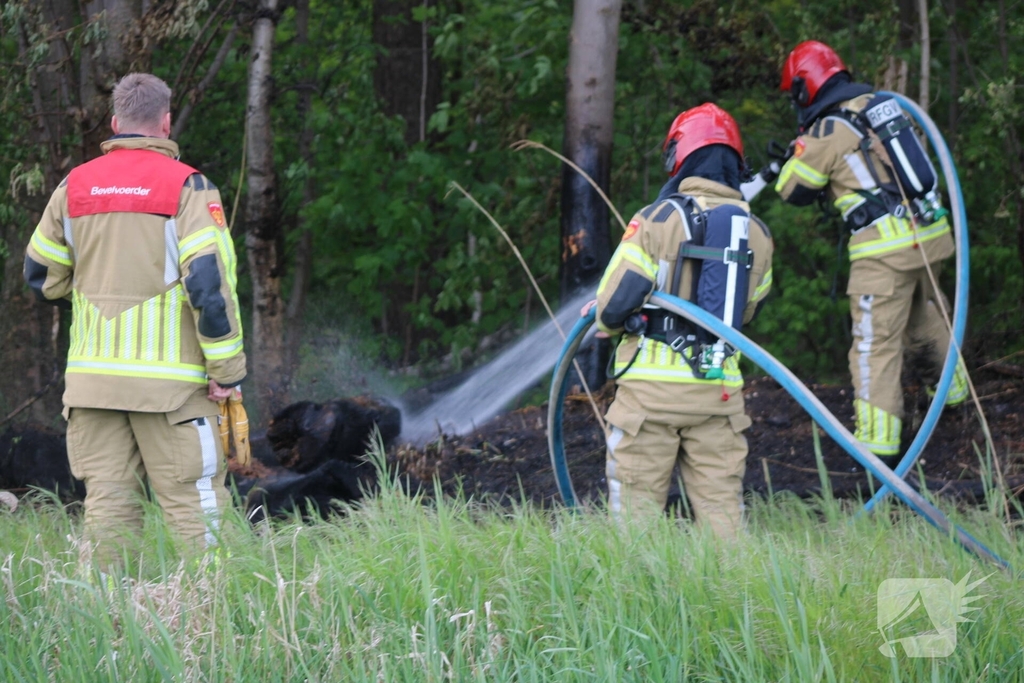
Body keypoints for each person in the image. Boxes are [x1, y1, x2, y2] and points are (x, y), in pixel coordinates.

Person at [24, 73, 247, 569]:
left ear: (114, 123)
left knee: (108, 509)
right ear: (165, 122)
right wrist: (227, 371)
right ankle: (214, 610)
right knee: (196, 508)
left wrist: (94, 295)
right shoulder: (189, 188)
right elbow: (208, 287)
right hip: (173, 390)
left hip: (93, 388)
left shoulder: (73, 186)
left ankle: (104, 613)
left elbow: (40, 276)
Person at [585, 103, 774, 539]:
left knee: (635, 517)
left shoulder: (657, 219)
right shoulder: (758, 234)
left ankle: (639, 585)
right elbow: (747, 312)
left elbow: (613, 307)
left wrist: (608, 320)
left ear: (679, 156)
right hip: (718, 396)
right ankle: (733, 582)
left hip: (649, 399)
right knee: (723, 515)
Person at [773, 40, 967, 461]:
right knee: (923, 313)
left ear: (805, 89)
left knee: (873, 345)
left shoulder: (828, 130)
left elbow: (793, 188)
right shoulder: (882, 106)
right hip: (928, 236)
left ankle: (878, 451)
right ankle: (953, 399)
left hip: (884, 252)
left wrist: (793, 154)